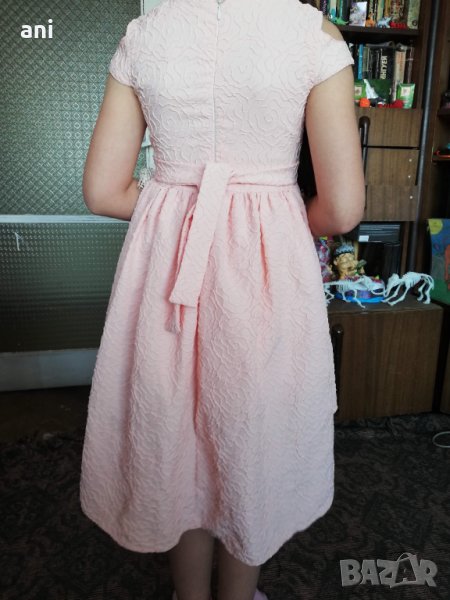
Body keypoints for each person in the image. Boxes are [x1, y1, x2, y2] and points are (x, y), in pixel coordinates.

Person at [80, 1, 365, 599]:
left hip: (167, 263)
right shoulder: (312, 33)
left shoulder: (145, 34)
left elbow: (104, 191)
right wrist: (279, 219)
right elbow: (341, 208)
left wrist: (180, 208)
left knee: (174, 430)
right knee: (250, 431)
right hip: (265, 261)